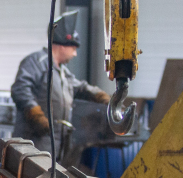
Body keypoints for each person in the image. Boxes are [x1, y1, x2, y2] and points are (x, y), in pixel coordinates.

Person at [11, 10, 111, 154]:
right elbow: (20, 89)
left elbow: (80, 87)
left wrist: (103, 97)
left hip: (56, 145)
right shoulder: (36, 62)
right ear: (63, 45)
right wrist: (35, 115)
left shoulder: (63, 73)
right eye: (74, 48)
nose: (75, 53)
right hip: (33, 143)